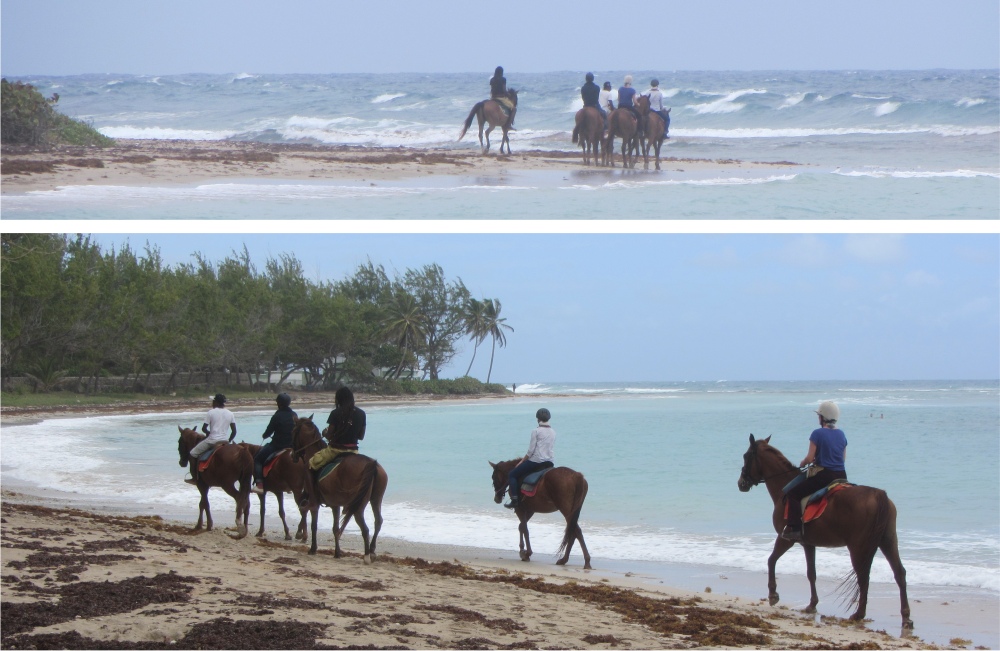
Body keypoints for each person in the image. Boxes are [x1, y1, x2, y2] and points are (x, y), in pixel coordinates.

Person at [781, 401, 848, 542]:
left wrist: (803, 463)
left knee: (793, 494)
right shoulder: (841, 434)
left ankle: (796, 530)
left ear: (822, 417)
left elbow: (810, 458)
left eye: (819, 416)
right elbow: (843, 458)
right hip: (841, 475)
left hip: (825, 476)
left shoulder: (817, 433)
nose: (818, 418)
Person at [504, 408, 556, 509]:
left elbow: (531, 450)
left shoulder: (535, 431)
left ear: (538, 419)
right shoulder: (553, 432)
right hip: (550, 462)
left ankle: (514, 500)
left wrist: (522, 461)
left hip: (536, 461)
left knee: (512, 475)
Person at [251, 392, 297, 495]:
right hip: (292, 446)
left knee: (257, 460)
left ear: (279, 403)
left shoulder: (277, 416)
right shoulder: (294, 415)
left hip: (278, 445)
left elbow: (268, 432)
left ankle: (259, 484)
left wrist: (264, 435)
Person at [186, 393, 237, 484]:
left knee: (192, 453)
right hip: (224, 441)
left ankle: (194, 478)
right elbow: (234, 431)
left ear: (216, 402)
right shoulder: (230, 413)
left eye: (213, 401)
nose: (212, 403)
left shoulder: (211, 412)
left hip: (212, 440)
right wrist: (228, 440)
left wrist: (209, 433)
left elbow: (204, 428)